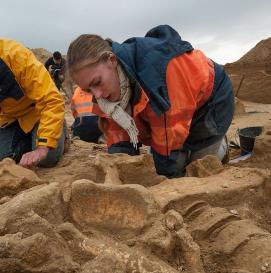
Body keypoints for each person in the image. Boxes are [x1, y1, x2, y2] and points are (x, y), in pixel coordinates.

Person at [67, 25, 234, 177]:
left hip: (210, 103)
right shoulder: (106, 89)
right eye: (88, 89)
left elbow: (169, 139)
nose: (97, 95)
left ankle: (220, 147)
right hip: (171, 111)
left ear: (112, 60)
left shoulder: (158, 73)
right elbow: (117, 132)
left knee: (197, 167)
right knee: (172, 162)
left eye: (97, 83)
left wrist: (165, 177)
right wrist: (124, 164)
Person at [0, 38, 66, 168]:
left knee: (47, 158)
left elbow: (51, 100)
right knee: (5, 157)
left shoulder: (14, 54)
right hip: (8, 120)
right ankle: (29, 140)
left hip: (38, 113)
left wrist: (42, 148)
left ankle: (60, 128)